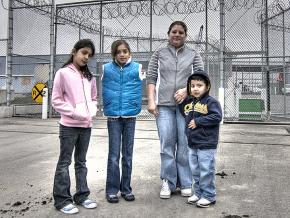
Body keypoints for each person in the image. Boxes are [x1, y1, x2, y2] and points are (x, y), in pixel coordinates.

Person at [146, 21, 204, 199]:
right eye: (174, 32)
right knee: (167, 145)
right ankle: (168, 182)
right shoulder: (159, 53)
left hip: (186, 107)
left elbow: (201, 77)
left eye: (180, 32)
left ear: (185, 36)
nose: (177, 35)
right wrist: (151, 101)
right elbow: (151, 77)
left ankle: (186, 182)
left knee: (185, 144)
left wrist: (187, 90)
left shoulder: (194, 54)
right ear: (168, 34)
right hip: (163, 107)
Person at [52, 39, 98, 214]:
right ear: (74, 51)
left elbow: (94, 98)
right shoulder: (63, 73)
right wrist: (74, 112)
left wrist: (92, 110)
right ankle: (62, 200)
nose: (86, 57)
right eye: (84, 53)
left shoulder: (89, 77)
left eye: (89, 55)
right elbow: (55, 100)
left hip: (86, 126)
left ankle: (82, 196)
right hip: (69, 126)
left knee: (81, 162)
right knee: (64, 162)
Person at [102, 40, 143, 203]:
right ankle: (112, 190)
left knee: (127, 155)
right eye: (118, 52)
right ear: (114, 54)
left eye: (125, 51)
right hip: (113, 117)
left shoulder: (137, 67)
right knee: (113, 155)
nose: (122, 54)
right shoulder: (106, 68)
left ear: (129, 52)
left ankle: (126, 189)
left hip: (130, 116)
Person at [179, 70, 222, 208]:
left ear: (207, 86)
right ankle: (198, 193)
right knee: (195, 170)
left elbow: (217, 117)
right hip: (193, 143)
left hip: (206, 143)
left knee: (206, 169)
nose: (195, 88)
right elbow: (184, 112)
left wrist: (199, 121)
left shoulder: (211, 102)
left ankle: (209, 195)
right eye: (192, 86)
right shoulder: (190, 102)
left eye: (199, 85)